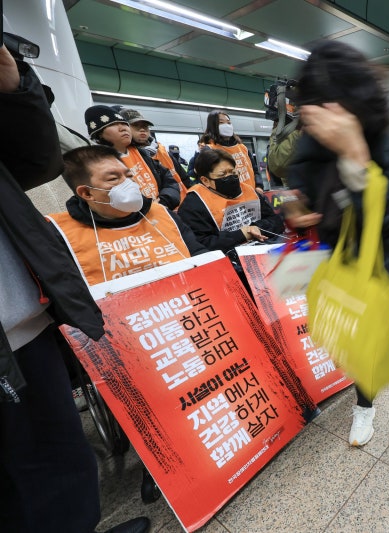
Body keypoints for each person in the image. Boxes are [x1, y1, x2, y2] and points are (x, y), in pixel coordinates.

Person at [0, 44, 149, 533]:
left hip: (26, 317)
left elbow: (34, 163)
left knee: (59, 453)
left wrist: (15, 92)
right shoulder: (71, 222)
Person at [287, 40, 389, 447]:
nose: (324, 119)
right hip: (332, 260)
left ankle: (365, 405)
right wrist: (293, 207)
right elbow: (290, 185)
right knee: (340, 333)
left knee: (373, 343)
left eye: (335, 106)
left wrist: (356, 157)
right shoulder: (310, 141)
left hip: (384, 262)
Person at [48, 145, 207, 285]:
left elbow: (199, 255)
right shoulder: (61, 233)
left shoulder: (160, 212)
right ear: (86, 192)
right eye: (113, 178)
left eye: (129, 176)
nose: (128, 184)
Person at [178, 148, 284, 253]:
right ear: (205, 180)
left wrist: (256, 228)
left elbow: (276, 221)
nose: (230, 178)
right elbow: (201, 244)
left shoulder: (248, 191)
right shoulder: (193, 204)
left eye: (233, 172)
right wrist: (241, 234)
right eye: (222, 175)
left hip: (263, 249)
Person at [85, 104, 181, 210]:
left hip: (163, 211)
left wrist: (164, 202)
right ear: (99, 134)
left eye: (124, 124)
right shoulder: (101, 164)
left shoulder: (142, 154)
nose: (123, 128)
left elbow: (169, 181)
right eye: (113, 125)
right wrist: (148, 207)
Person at [120, 107, 192, 198]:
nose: (142, 129)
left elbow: (184, 178)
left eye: (145, 126)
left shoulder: (161, 150)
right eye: (136, 125)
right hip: (160, 207)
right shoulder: (125, 155)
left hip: (183, 202)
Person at [204, 110, 265, 192]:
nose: (227, 126)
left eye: (229, 123)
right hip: (230, 199)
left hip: (252, 194)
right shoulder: (210, 150)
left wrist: (259, 185)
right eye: (221, 123)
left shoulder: (242, 147)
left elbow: (255, 170)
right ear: (213, 126)